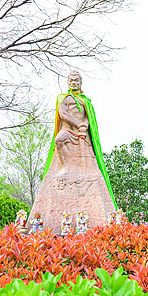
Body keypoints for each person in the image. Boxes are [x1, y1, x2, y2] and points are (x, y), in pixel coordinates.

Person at [41, 71, 118, 208]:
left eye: (76, 80)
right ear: (67, 82)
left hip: (82, 132)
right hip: (68, 130)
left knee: (88, 156)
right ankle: (66, 167)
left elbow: (88, 116)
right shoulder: (63, 98)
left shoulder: (85, 100)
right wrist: (77, 124)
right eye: (71, 80)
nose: (73, 83)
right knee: (59, 140)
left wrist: (86, 124)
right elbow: (63, 113)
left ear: (80, 82)